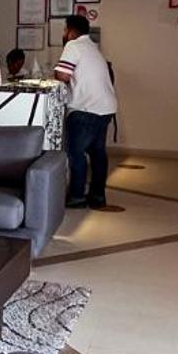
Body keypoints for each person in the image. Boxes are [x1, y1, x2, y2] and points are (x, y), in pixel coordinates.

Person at [52, 14, 117, 209]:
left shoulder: (73, 45)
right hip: (105, 108)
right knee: (98, 153)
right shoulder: (93, 47)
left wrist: (55, 73)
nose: (64, 34)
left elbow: (63, 75)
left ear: (71, 31)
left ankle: (77, 196)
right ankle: (98, 196)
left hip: (86, 108)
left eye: (65, 30)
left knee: (76, 153)